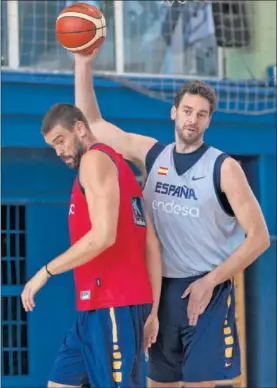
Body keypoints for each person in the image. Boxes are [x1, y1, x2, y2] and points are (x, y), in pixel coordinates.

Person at [73, 51, 270, 388]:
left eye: (202, 115)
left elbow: (260, 238)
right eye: (188, 111)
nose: (193, 120)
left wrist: (211, 281)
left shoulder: (224, 169)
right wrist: (82, 64)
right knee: (159, 384)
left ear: (209, 121)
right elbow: (91, 126)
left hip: (207, 289)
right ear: (174, 112)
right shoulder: (152, 154)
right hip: (159, 290)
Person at [21, 103, 162, 388]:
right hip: (98, 308)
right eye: (53, 146)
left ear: (80, 129)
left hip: (113, 304)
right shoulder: (118, 166)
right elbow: (151, 243)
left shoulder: (94, 161)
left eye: (60, 141)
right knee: (60, 384)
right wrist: (153, 311)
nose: (58, 151)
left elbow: (103, 236)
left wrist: (44, 272)